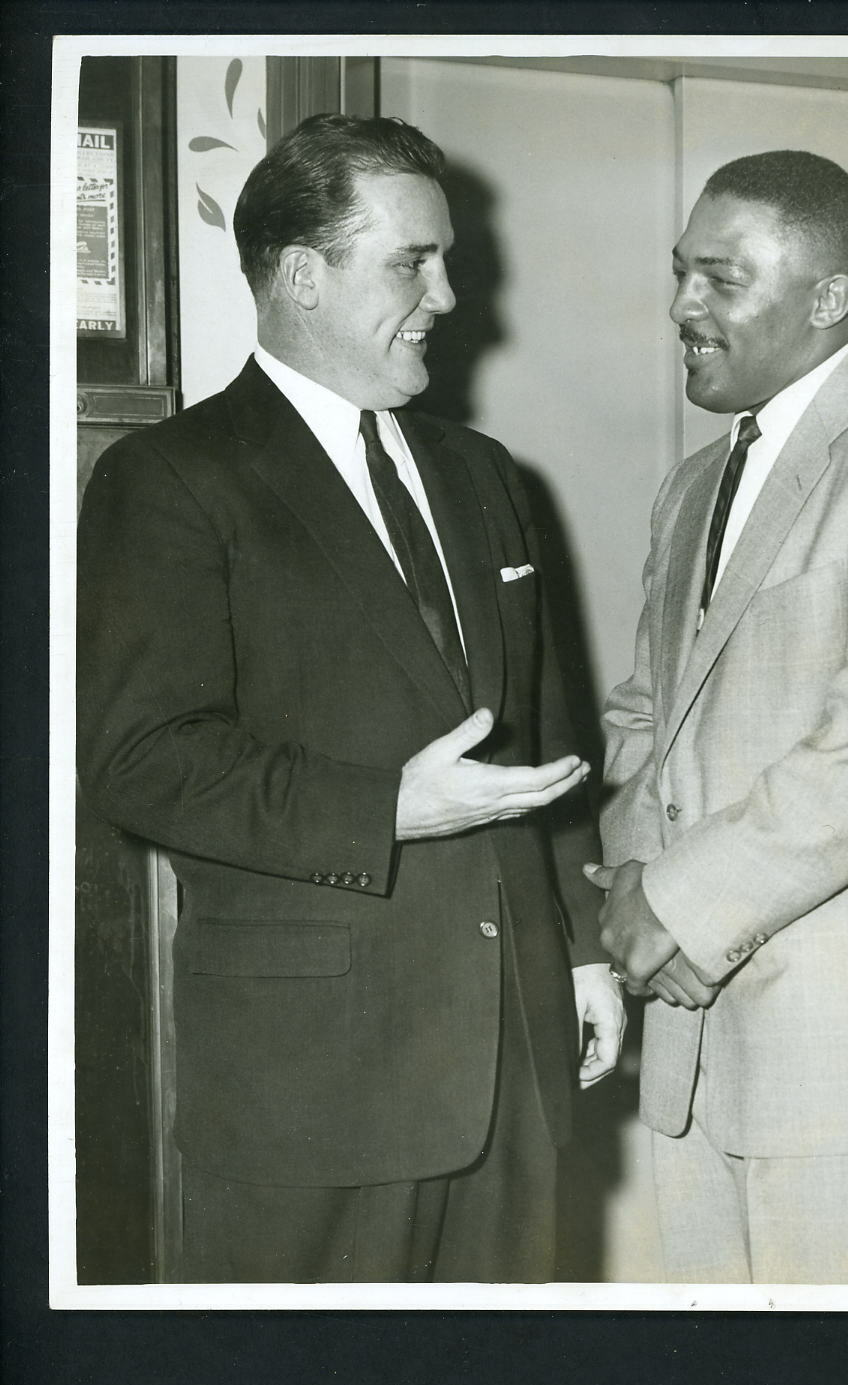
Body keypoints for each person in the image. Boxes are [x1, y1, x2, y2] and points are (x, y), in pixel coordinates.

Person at [77, 113, 624, 1284]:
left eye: (445, 259)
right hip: (313, 1080)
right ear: (303, 276)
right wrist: (386, 806)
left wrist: (581, 954)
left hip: (513, 1056)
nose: (447, 295)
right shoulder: (170, 478)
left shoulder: (485, 475)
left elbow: (549, 737)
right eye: (412, 261)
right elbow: (141, 761)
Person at [587, 150, 848, 1285]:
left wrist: (673, 905)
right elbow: (645, 715)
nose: (681, 306)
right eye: (681, 273)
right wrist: (633, 880)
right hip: (695, 1047)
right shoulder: (691, 488)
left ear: (828, 299)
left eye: (720, 278)